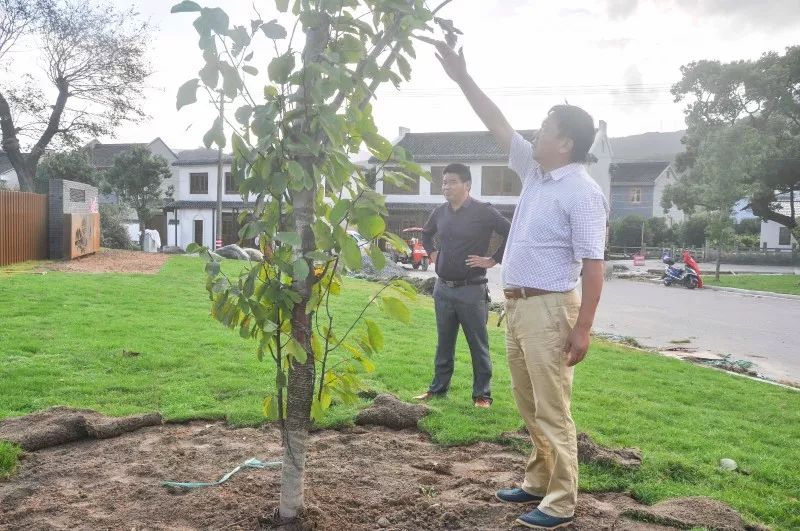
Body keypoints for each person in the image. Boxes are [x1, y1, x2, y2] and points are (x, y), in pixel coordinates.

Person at [429, 41, 608, 530]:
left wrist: (584, 328)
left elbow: (595, 266)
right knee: (528, 403)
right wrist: (462, 78)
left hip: (552, 310)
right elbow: (497, 123)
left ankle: (561, 501)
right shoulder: (536, 172)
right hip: (518, 306)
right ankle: (537, 479)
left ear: (566, 142)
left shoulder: (582, 193)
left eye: (545, 129)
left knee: (552, 408)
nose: (535, 133)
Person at [414, 163, 511, 408]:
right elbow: (426, 234)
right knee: (444, 342)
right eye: (444, 182)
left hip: (472, 289)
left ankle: (482, 395)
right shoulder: (440, 212)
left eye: (452, 182)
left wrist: (492, 260)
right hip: (443, 289)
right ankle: (437, 390)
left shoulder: (483, 211)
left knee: (478, 344)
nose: (446, 186)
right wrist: (433, 253)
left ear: (467, 185)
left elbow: (511, 231)